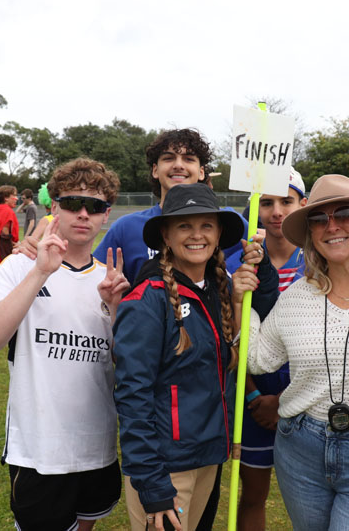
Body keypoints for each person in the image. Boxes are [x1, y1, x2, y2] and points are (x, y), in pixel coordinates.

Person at [233, 174, 349, 530]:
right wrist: (243, 303)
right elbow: (258, 359)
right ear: (310, 233)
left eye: (345, 214)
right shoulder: (296, 297)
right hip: (300, 450)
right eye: (318, 219)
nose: (331, 226)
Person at [0, 158, 128, 531]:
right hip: (39, 451)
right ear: (54, 207)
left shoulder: (112, 281)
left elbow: (125, 364)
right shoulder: (19, 267)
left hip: (97, 448)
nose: (83, 214)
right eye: (73, 203)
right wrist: (40, 271)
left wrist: (114, 310)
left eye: (95, 206)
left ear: (106, 215)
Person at [113, 183, 277, 531]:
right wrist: (152, 482)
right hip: (165, 466)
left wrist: (260, 267)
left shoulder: (217, 288)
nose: (197, 235)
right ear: (166, 235)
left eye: (206, 226)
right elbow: (132, 395)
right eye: (184, 225)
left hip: (208, 457)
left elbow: (264, 307)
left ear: (218, 235)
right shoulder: (148, 298)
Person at [224, 167, 307, 531]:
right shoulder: (235, 266)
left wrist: (285, 400)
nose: (276, 212)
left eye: (286, 201)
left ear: (302, 204)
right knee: (253, 496)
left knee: (310, 501)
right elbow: (230, 336)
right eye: (267, 202)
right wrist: (255, 395)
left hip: (307, 399)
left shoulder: (317, 262)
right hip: (253, 400)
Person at [92, 128, 246, 283]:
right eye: (168, 158)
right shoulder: (126, 228)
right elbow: (93, 278)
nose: (178, 165)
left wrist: (256, 252)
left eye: (188, 159)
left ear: (201, 172)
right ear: (155, 170)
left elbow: (259, 252)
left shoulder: (227, 222)